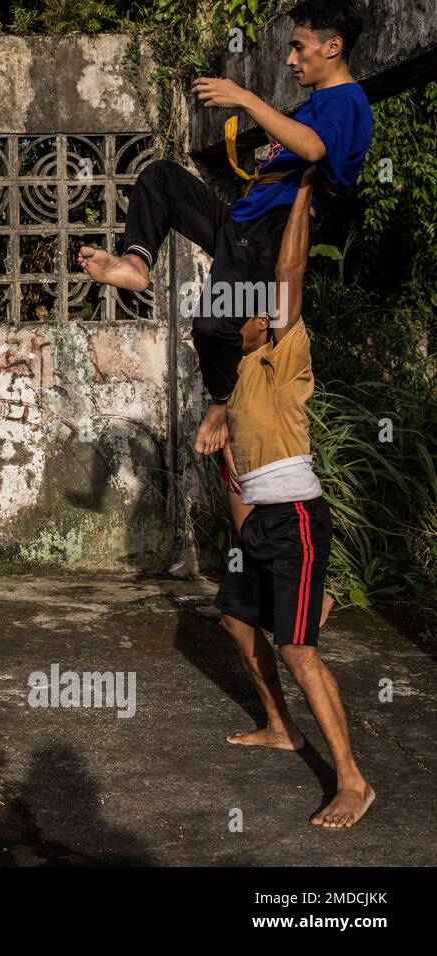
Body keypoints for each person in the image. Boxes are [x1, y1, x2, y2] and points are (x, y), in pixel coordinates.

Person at [78, 0, 372, 456]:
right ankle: (136, 261)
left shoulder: (348, 101)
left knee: (213, 326)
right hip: (242, 221)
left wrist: (247, 98)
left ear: (332, 47)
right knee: (161, 178)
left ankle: (221, 402)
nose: (290, 60)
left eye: (299, 48)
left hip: (270, 235)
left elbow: (314, 150)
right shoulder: (318, 102)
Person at [213, 169, 373, 828]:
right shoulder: (234, 377)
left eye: (254, 310)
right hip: (259, 524)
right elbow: (234, 474)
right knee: (235, 622)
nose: (248, 314)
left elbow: (290, 272)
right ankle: (283, 728)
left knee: (298, 650)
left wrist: (302, 195)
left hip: (299, 519)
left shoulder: (284, 353)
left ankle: (354, 782)